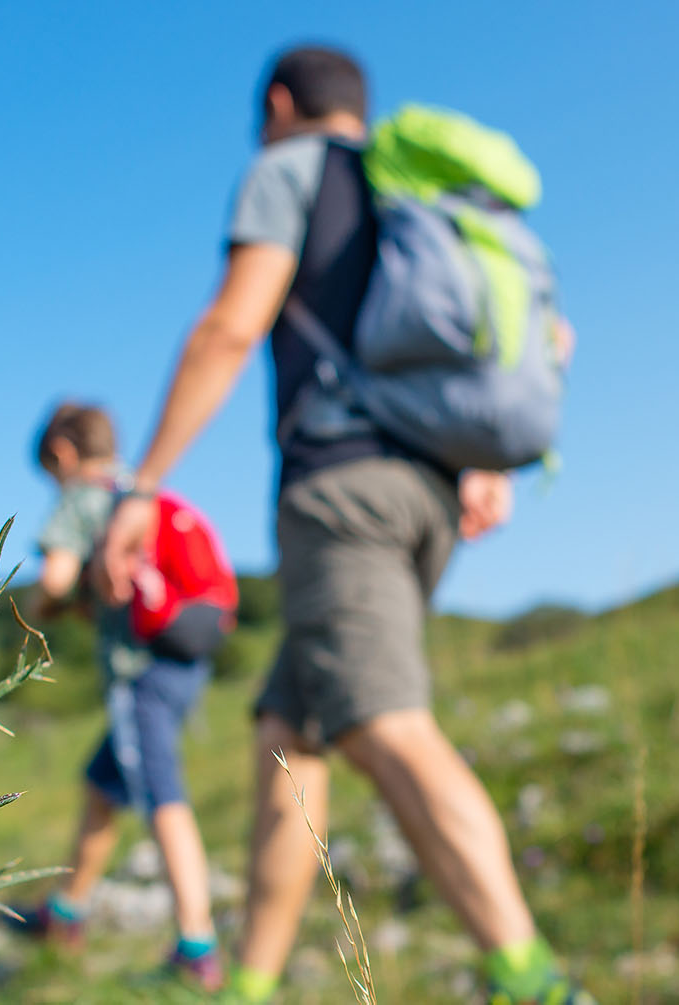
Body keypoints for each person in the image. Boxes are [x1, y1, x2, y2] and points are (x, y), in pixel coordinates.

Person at [93, 46, 593, 1004]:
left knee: (384, 722)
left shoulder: (289, 171)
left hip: (342, 496)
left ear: (280, 104)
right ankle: (249, 982)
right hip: (427, 496)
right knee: (290, 732)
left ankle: (533, 981)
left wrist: (143, 484)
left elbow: (232, 326)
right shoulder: (422, 198)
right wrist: (483, 460)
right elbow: (540, 338)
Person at [6, 401, 225, 991]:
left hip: (139, 672)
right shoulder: (139, 490)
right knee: (103, 785)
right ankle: (66, 912)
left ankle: (197, 947)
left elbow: (54, 580)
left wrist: (41, 606)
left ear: (63, 454)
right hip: (184, 660)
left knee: (161, 793)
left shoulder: (83, 497)